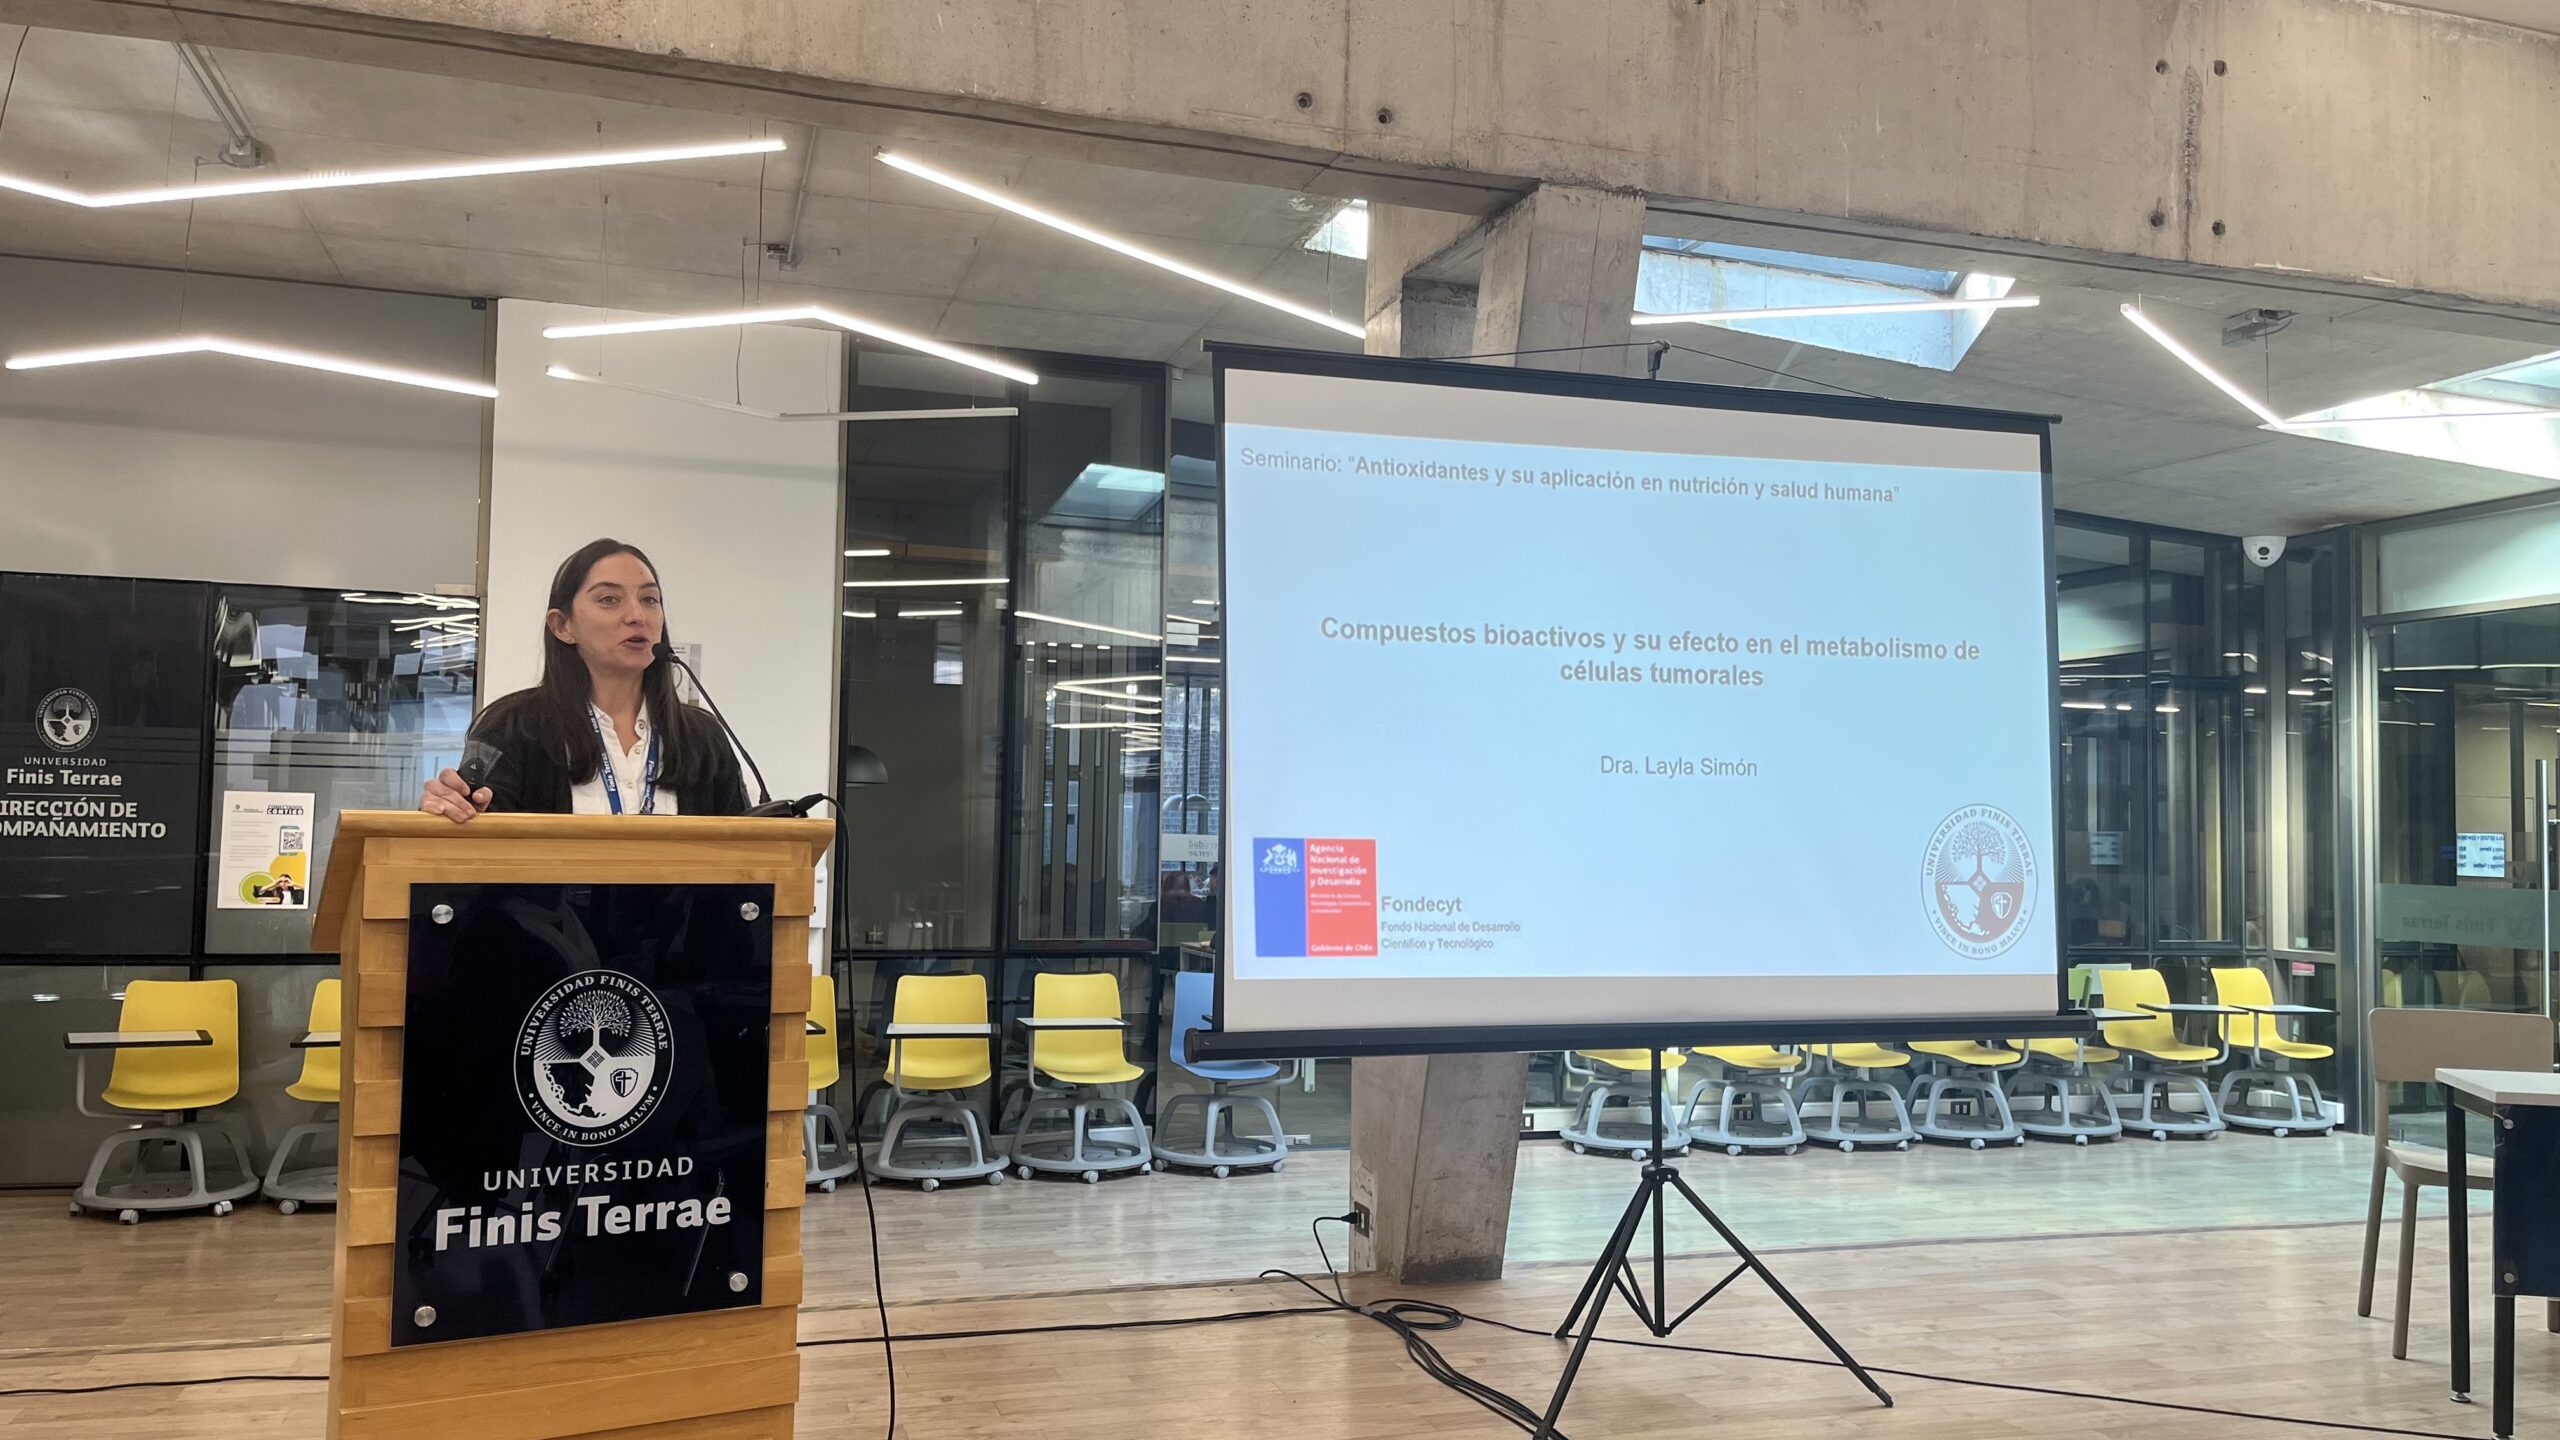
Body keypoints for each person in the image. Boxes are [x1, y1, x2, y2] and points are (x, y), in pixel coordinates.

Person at [418, 538, 750, 821]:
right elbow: (469, 840)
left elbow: (746, 849)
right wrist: (449, 808)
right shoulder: (511, 727)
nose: (637, 616)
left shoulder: (702, 737)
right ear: (562, 625)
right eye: (609, 599)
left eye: (650, 599)